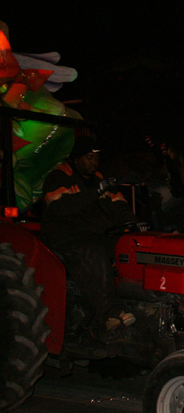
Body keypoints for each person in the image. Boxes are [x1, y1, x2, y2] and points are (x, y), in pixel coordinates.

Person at [40, 136, 141, 332]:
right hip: (66, 237)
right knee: (94, 252)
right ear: (76, 158)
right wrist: (95, 191)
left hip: (97, 234)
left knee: (128, 249)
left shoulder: (100, 180)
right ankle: (109, 314)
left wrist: (136, 225)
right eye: (89, 157)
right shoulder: (59, 177)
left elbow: (119, 206)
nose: (94, 162)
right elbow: (61, 208)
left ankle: (137, 303)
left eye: (96, 158)